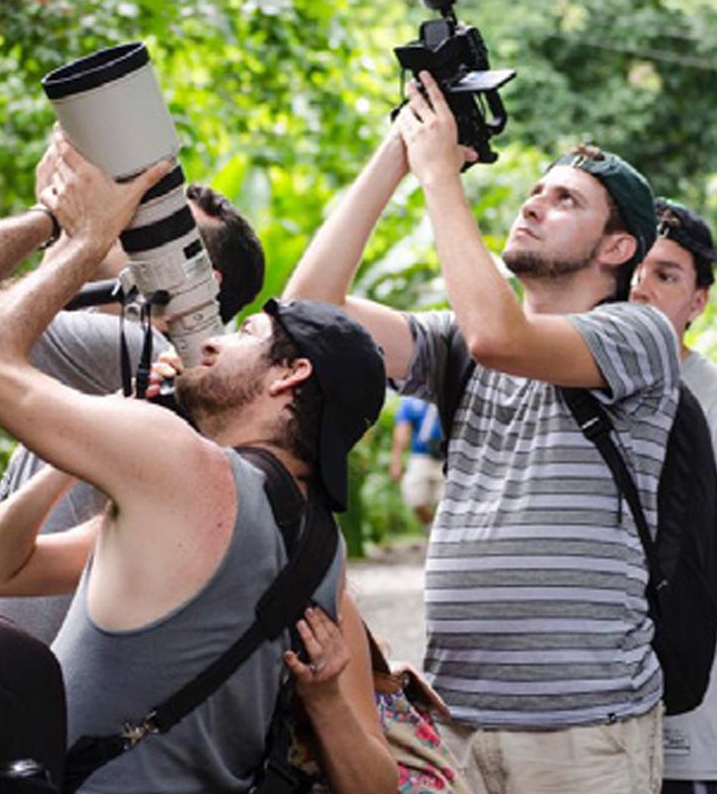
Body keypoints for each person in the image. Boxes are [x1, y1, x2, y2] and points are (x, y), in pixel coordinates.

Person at [0, 131, 396, 794]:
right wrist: (82, 454)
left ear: (288, 377)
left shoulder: (182, 465)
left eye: (245, 336)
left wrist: (85, 238)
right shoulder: (322, 554)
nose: (210, 348)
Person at [284, 71, 678, 794]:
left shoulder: (637, 334)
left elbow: (501, 334)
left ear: (619, 248)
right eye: (538, 189)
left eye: (567, 200)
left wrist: (442, 176)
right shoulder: (456, 345)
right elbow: (309, 312)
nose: (535, 203)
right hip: (458, 719)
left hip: (584, 733)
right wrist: (397, 150)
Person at [0, 145, 264, 643]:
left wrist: (54, 216)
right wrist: (74, 231)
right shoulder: (146, 357)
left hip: (18, 656)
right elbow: (28, 304)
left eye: (143, 224)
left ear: (196, 278)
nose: (122, 222)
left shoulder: (139, 348)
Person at [631, 199, 717, 794]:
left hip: (696, 706)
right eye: (634, 268)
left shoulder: (711, 402)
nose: (641, 288)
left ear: (698, 301)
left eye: (665, 275)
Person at [389, 395, 444, 529]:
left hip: (448, 456)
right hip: (422, 455)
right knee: (414, 496)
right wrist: (396, 460)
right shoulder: (411, 401)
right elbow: (402, 432)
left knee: (445, 501)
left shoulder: (448, 394)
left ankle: (443, 531)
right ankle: (430, 527)